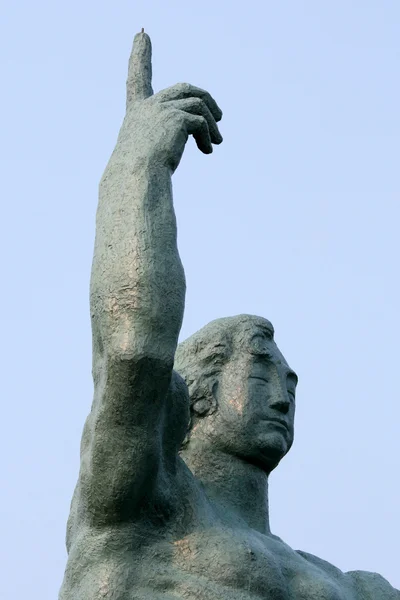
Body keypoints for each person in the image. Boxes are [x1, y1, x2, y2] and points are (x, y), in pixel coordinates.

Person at [59, 32, 399, 600]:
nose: (284, 397)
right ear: (198, 392)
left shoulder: (355, 586)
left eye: (290, 382)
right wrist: (139, 165)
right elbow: (133, 349)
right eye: (262, 369)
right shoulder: (142, 505)